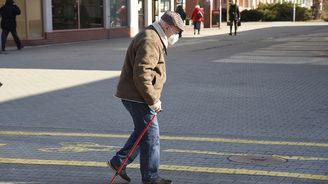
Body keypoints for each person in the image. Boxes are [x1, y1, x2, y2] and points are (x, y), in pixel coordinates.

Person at [108, 11, 184, 184]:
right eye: (175, 31)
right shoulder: (150, 39)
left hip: (136, 95)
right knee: (151, 136)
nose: (176, 35)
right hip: (138, 96)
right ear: (166, 27)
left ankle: (119, 162)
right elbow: (142, 74)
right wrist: (153, 100)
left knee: (143, 133)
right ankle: (150, 177)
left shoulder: (154, 36)